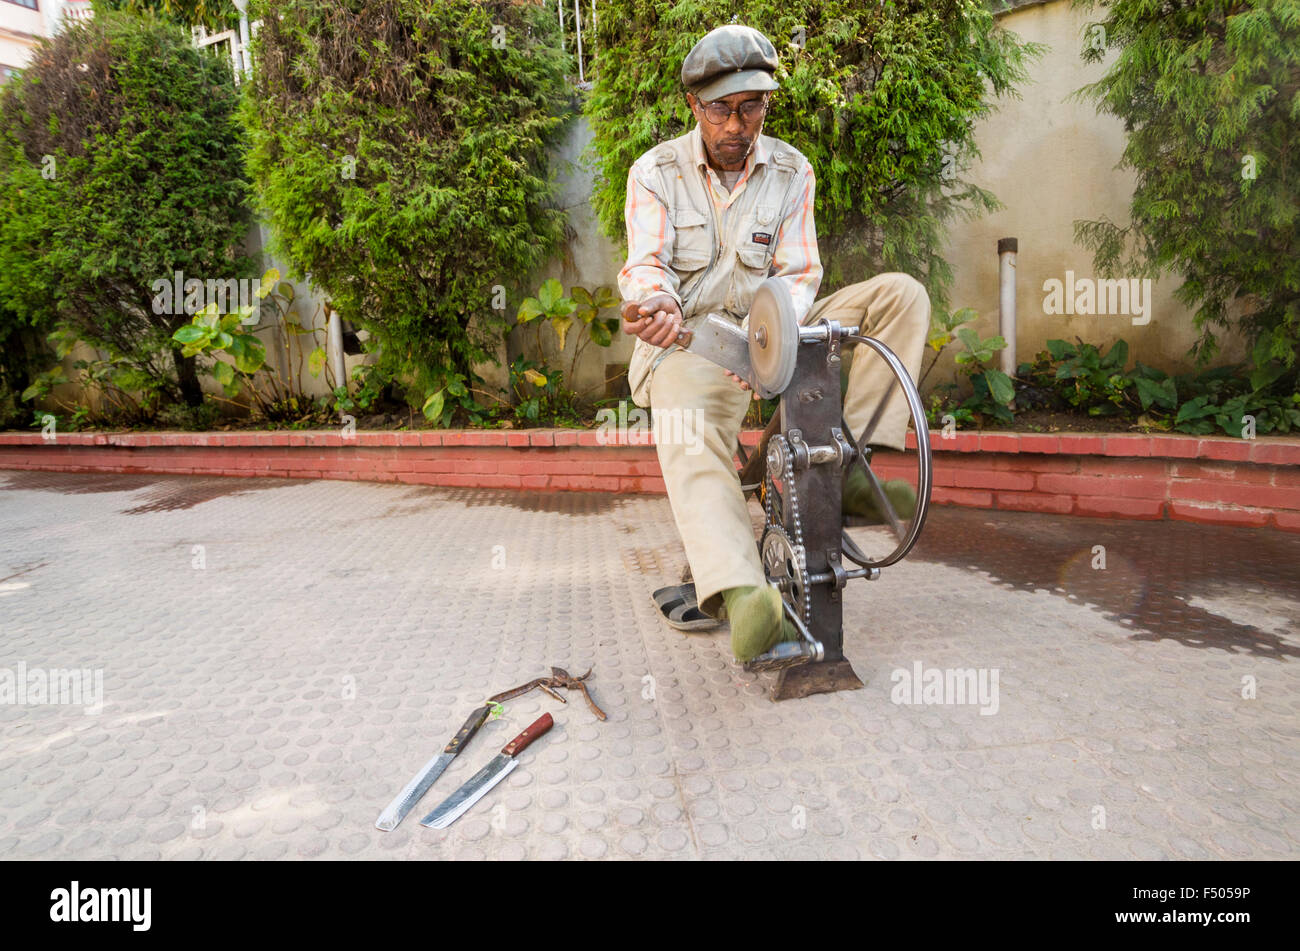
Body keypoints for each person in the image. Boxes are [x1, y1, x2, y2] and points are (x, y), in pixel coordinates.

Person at [617, 24, 930, 663]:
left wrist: (768, 349)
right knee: (685, 417)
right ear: (693, 107)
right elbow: (647, 268)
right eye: (721, 110)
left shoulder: (791, 170)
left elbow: (796, 276)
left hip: (773, 333)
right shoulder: (655, 174)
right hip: (691, 343)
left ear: (766, 104)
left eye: (751, 106)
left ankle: (843, 472)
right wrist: (657, 307)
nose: (737, 125)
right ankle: (742, 595)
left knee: (900, 295)